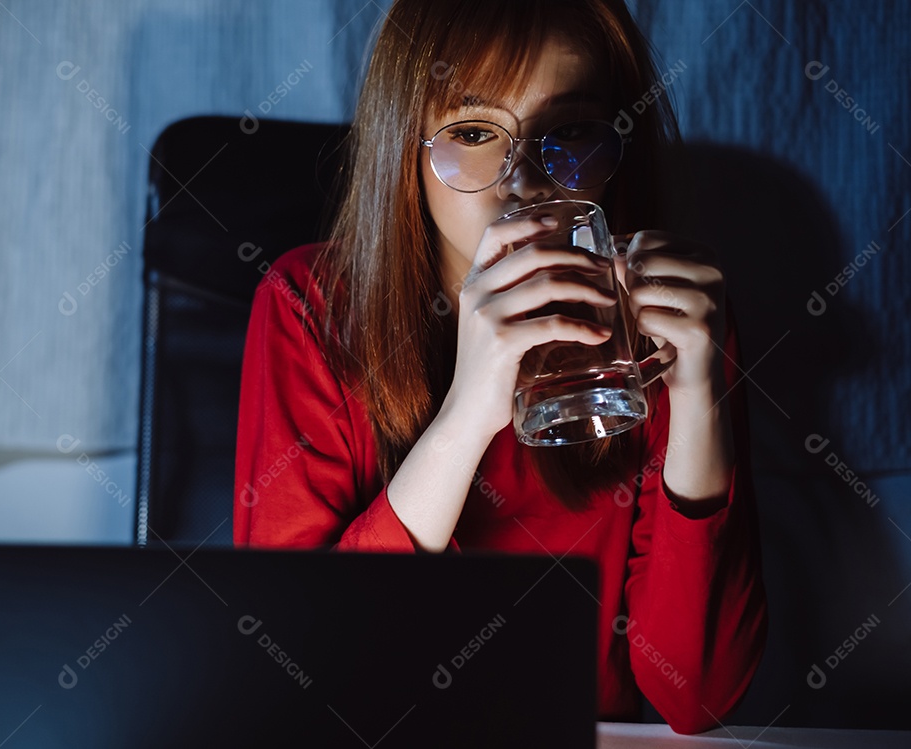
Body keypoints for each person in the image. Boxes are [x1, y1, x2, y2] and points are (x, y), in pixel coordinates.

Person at [233, 0, 767, 735]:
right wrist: (468, 413)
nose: (522, 183)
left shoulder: (663, 326)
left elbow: (698, 696)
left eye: (571, 131)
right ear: (405, 149)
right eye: (474, 133)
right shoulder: (310, 310)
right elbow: (291, 666)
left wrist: (700, 399)